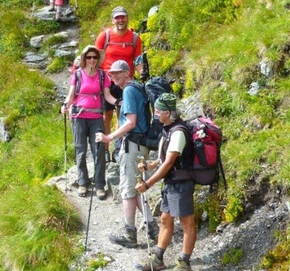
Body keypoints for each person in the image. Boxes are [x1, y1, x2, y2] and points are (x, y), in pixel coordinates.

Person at [95, 60, 158, 248]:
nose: (113, 76)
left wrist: (109, 138)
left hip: (132, 145)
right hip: (140, 144)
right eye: (111, 74)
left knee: (127, 191)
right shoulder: (136, 89)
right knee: (135, 188)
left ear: (126, 73)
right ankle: (152, 227)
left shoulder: (129, 91)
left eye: (116, 73)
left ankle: (129, 233)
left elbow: (131, 122)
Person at [135, 93, 196, 271]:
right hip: (172, 183)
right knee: (165, 219)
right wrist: (150, 165)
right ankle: (158, 258)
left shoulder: (178, 133)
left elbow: (169, 162)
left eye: (158, 111)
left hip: (181, 183)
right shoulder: (167, 129)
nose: (155, 113)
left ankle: (184, 263)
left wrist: (148, 183)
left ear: (168, 112)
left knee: (187, 222)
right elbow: (164, 159)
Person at [61, 46, 116, 200]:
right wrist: (65, 105)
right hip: (78, 117)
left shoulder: (103, 76)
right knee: (81, 150)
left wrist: (119, 102)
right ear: (84, 59)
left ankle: (99, 185)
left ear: (98, 59)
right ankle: (83, 182)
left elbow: (107, 96)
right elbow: (71, 95)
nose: (92, 60)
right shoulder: (77, 75)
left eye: (95, 57)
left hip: (96, 117)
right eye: (89, 57)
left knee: (98, 150)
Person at [95, 6, 143, 156]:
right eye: (117, 17)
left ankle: (119, 147)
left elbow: (138, 60)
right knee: (106, 116)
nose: (120, 20)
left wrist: (142, 73)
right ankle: (105, 149)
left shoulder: (134, 38)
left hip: (125, 82)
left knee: (122, 114)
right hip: (107, 80)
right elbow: (96, 58)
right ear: (113, 20)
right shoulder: (105, 36)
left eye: (123, 17)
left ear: (127, 18)